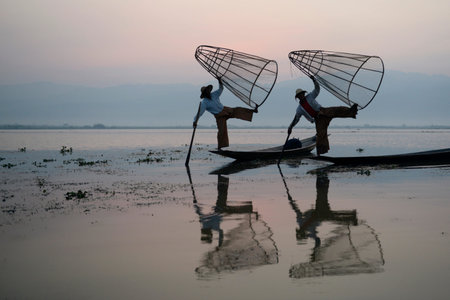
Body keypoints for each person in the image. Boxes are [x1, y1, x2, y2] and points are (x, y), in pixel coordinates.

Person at [288, 75, 358, 155]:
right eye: (299, 95)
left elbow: (317, 89)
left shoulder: (310, 96)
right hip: (318, 119)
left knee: (337, 110)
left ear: (304, 94)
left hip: (323, 111)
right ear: (298, 97)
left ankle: (352, 111)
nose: (301, 96)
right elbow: (296, 119)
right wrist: (290, 127)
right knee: (321, 135)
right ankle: (320, 152)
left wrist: (314, 80)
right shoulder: (299, 109)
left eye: (302, 94)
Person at [194, 77, 257, 149]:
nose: (208, 92)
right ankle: (220, 147)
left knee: (237, 110)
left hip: (225, 109)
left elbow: (221, 89)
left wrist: (220, 82)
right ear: (204, 94)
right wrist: (195, 121)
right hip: (219, 116)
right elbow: (200, 113)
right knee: (222, 131)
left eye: (208, 90)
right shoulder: (204, 103)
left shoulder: (214, 94)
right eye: (206, 91)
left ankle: (252, 111)